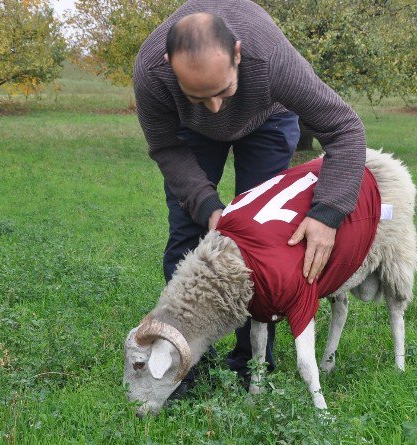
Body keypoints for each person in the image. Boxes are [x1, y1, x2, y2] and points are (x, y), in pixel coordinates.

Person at [133, 0, 366, 397]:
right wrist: (207, 207)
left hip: (266, 120)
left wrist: (328, 213)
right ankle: (183, 360)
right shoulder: (150, 73)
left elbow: (344, 128)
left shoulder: (271, 58)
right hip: (190, 135)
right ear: (170, 65)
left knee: (264, 244)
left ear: (238, 54)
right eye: (199, 96)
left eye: (222, 90)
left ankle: (250, 364)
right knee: (187, 237)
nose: (215, 108)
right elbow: (166, 148)